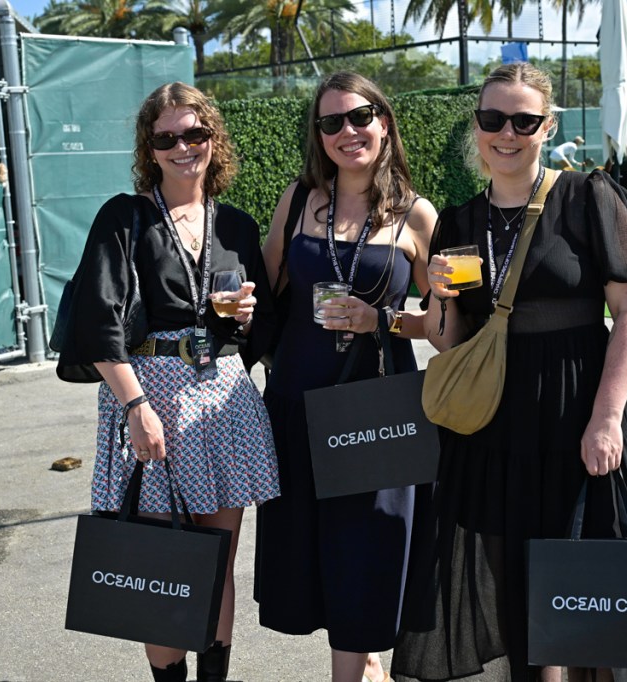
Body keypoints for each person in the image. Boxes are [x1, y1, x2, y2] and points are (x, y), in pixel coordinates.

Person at [391, 62, 627, 682]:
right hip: (493, 432)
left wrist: (606, 417)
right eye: (492, 119)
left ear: (548, 126)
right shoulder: (458, 221)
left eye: (523, 120)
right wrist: (438, 298)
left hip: (575, 421)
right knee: (519, 606)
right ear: (477, 125)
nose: (505, 133)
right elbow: (446, 342)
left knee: (583, 603)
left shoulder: (588, 197)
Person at [56, 82, 280, 682]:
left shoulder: (234, 222)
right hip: (149, 397)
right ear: (150, 149)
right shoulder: (124, 218)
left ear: (214, 140)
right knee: (162, 560)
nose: (184, 146)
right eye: (167, 137)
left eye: (195, 134)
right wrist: (135, 406)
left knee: (216, 563)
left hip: (223, 399)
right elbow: (97, 320)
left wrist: (246, 318)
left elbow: (258, 327)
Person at [253, 71, 438, 682]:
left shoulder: (415, 213)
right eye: (331, 122)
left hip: (376, 411)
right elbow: (268, 296)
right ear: (319, 134)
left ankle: (355, 668)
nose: (347, 132)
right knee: (310, 550)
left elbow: (446, 326)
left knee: (370, 548)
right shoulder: (298, 199)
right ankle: (365, 664)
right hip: (299, 404)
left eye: (360, 117)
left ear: (384, 121)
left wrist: (380, 318)